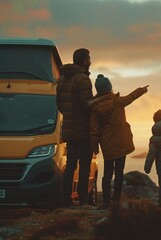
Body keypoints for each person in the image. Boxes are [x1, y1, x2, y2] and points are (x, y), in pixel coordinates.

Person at [90, 74, 148, 209]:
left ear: (98, 90)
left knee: (107, 173)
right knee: (119, 173)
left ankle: (105, 201)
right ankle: (116, 201)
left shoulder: (95, 108)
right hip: (122, 142)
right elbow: (132, 96)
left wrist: (95, 148)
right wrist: (142, 90)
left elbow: (94, 130)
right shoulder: (117, 101)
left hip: (107, 144)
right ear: (109, 87)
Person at [56, 48, 93, 207]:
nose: (90, 61)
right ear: (85, 61)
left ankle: (65, 199)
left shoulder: (62, 78)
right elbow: (86, 106)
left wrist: (70, 116)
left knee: (70, 165)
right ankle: (83, 199)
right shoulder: (83, 79)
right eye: (89, 59)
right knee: (84, 166)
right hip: (83, 130)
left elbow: (60, 105)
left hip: (69, 130)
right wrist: (97, 100)